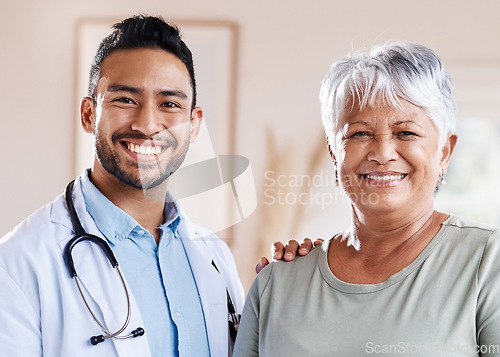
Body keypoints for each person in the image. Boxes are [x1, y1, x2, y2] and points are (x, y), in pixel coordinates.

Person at [0, 15, 252, 357]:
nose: (148, 124)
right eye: (125, 100)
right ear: (89, 114)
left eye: (170, 104)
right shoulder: (18, 262)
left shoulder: (214, 256)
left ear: (194, 126)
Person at [233, 42, 500, 356]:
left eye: (407, 133)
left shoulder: (488, 261)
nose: (383, 154)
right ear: (334, 153)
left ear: (444, 152)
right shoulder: (277, 283)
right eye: (359, 133)